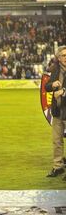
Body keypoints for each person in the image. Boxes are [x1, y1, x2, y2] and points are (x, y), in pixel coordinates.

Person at [45, 45, 66, 180]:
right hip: (58, 112)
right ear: (58, 58)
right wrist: (52, 85)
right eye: (63, 56)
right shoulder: (55, 70)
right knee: (57, 141)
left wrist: (63, 92)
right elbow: (46, 87)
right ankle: (58, 167)